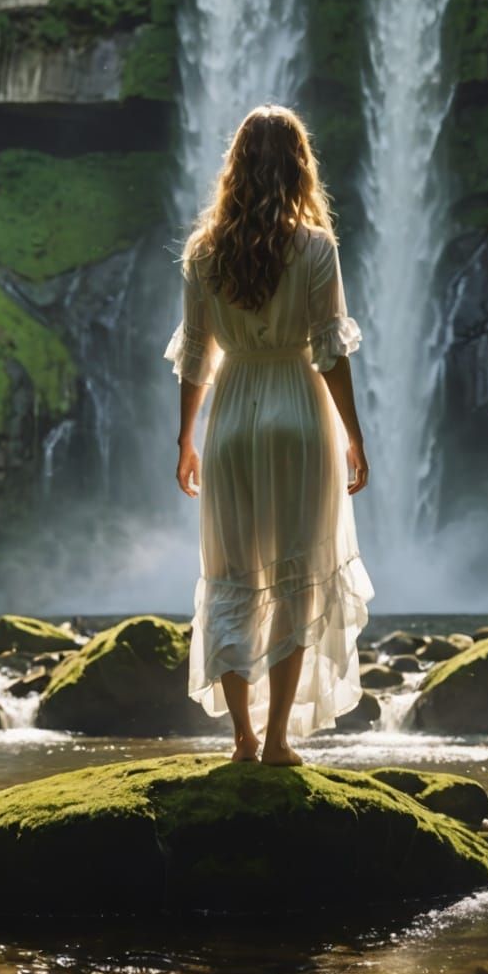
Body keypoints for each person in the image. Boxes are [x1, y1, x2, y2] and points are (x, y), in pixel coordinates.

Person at [166, 103, 374, 766]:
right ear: (299, 166)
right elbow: (330, 353)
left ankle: (242, 740)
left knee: (230, 577)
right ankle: (281, 738)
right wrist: (355, 437)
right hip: (299, 411)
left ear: (235, 168)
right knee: (296, 580)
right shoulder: (315, 248)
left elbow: (196, 355)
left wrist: (185, 439)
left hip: (230, 417)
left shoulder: (203, 252)